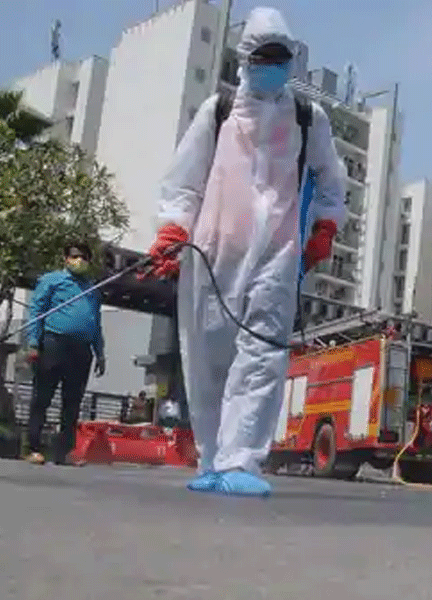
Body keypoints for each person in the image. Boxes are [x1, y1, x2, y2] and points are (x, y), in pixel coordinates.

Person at [147, 7, 346, 497]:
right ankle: (212, 459)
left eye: (281, 57)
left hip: (278, 254)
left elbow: (331, 180)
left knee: (262, 354)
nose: (272, 66)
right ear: (246, 59)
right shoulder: (218, 112)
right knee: (209, 358)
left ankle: (241, 460)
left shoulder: (308, 118)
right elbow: (184, 182)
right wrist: (172, 230)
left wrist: (325, 228)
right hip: (213, 255)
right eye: (264, 56)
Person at [24, 242, 106, 466]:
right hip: (54, 343)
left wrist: (100, 352)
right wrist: (33, 343)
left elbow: (96, 322)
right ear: (66, 259)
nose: (79, 261)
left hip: (82, 349)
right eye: (75, 256)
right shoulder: (52, 280)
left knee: (72, 402)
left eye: (84, 257)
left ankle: (65, 452)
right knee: (42, 398)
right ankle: (33, 448)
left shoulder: (92, 289)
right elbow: (36, 311)